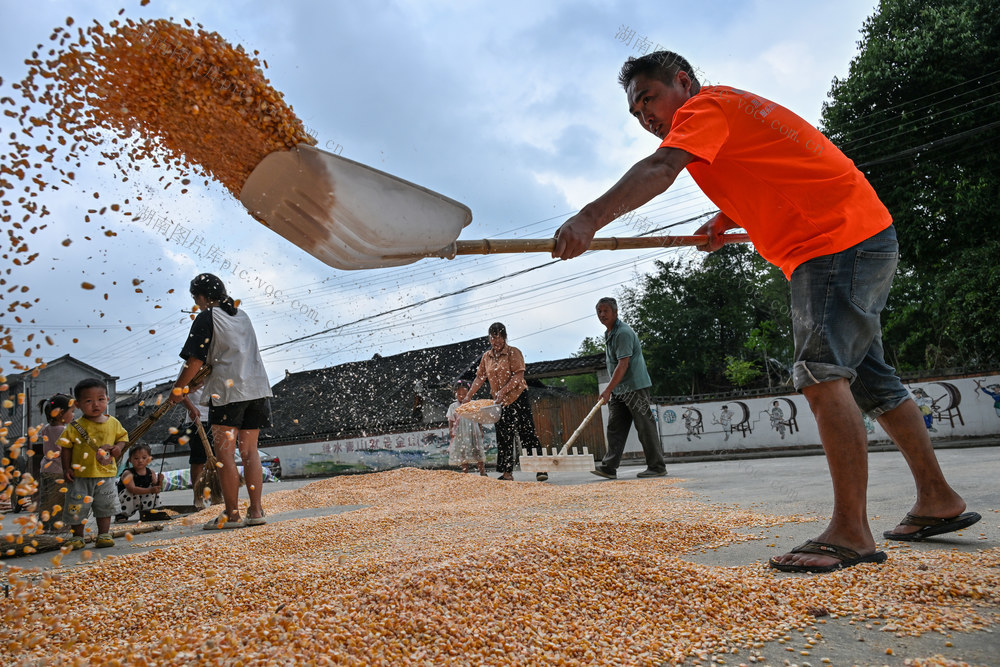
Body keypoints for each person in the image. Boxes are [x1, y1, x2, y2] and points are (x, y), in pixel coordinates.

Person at [552, 51, 979, 573]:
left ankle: (851, 531)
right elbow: (768, 167)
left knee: (821, 375)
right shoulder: (725, 113)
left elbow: (660, 168)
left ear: (682, 82)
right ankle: (937, 499)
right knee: (872, 382)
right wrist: (725, 217)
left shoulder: (703, 108)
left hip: (832, 243)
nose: (645, 117)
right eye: (636, 112)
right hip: (859, 233)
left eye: (649, 100)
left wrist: (589, 218)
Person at [169, 273, 271, 530]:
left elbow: (195, 360)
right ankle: (256, 510)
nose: (197, 303)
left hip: (228, 393)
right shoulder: (241, 315)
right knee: (250, 452)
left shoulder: (207, 317)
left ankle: (232, 514)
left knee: (224, 454)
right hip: (257, 389)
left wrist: (178, 389)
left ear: (202, 297)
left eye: (196, 298)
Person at [591, 297, 667, 480]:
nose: (602, 314)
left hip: (634, 388)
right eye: (599, 311)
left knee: (645, 426)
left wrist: (607, 389)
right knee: (615, 427)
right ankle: (609, 467)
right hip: (620, 389)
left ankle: (657, 466)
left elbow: (623, 364)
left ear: (615, 312)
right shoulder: (609, 333)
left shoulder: (623, 333)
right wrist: (613, 389)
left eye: (606, 311)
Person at [464, 323, 547, 482]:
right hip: (499, 403)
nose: (496, 341)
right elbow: (480, 377)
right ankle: (507, 473)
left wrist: (503, 391)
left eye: (499, 337)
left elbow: (518, 376)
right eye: (493, 337)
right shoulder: (486, 357)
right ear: (489, 338)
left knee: (526, 432)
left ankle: (540, 468)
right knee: (503, 435)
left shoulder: (513, 352)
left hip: (517, 397)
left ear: (505, 337)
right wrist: (469, 396)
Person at [60, 378, 128, 549]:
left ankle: (104, 534)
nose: (96, 404)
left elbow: (122, 438)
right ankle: (77, 537)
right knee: (77, 508)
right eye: (89, 401)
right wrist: (66, 468)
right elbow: (66, 448)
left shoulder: (113, 423)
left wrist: (118, 448)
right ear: (78, 404)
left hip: (106, 475)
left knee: (105, 506)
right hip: (79, 476)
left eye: (101, 399)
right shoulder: (74, 426)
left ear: (107, 399)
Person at [31, 393, 74, 531]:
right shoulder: (64, 431)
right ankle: (57, 526)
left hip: (46, 468)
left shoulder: (46, 428)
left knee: (46, 499)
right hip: (59, 470)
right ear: (61, 413)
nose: (73, 415)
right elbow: (68, 450)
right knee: (59, 500)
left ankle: (43, 525)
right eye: (72, 412)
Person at [115, 443, 166, 522]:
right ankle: (122, 515)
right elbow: (132, 489)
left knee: (153, 492)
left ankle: (149, 512)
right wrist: (150, 490)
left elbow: (156, 489)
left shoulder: (151, 472)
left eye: (144, 458)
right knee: (129, 492)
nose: (140, 461)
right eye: (136, 458)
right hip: (129, 500)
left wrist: (160, 481)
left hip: (143, 499)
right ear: (130, 460)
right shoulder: (128, 473)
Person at [446, 381, 487, 476]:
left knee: (477, 451)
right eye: (459, 394)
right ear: (455, 394)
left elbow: (479, 419)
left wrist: (481, 430)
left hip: (473, 432)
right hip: (460, 433)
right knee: (462, 452)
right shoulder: (453, 406)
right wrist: (451, 430)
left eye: (464, 394)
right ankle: (465, 473)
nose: (462, 396)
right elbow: (451, 420)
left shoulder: (474, 404)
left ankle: (482, 472)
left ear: (469, 393)